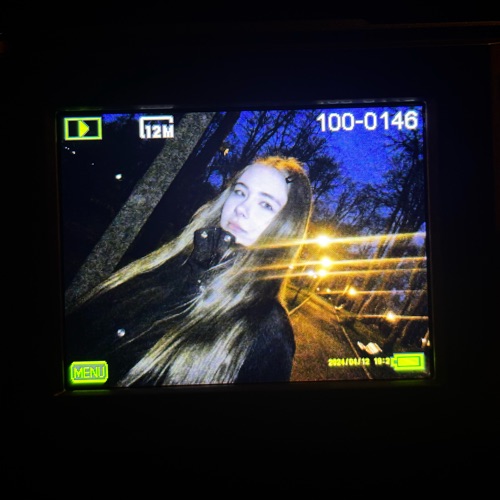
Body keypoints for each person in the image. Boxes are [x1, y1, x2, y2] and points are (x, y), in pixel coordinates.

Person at [65, 155, 313, 387]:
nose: (242, 208)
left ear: (287, 225)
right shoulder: (168, 262)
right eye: (240, 192)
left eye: (266, 204)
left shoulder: (269, 332)